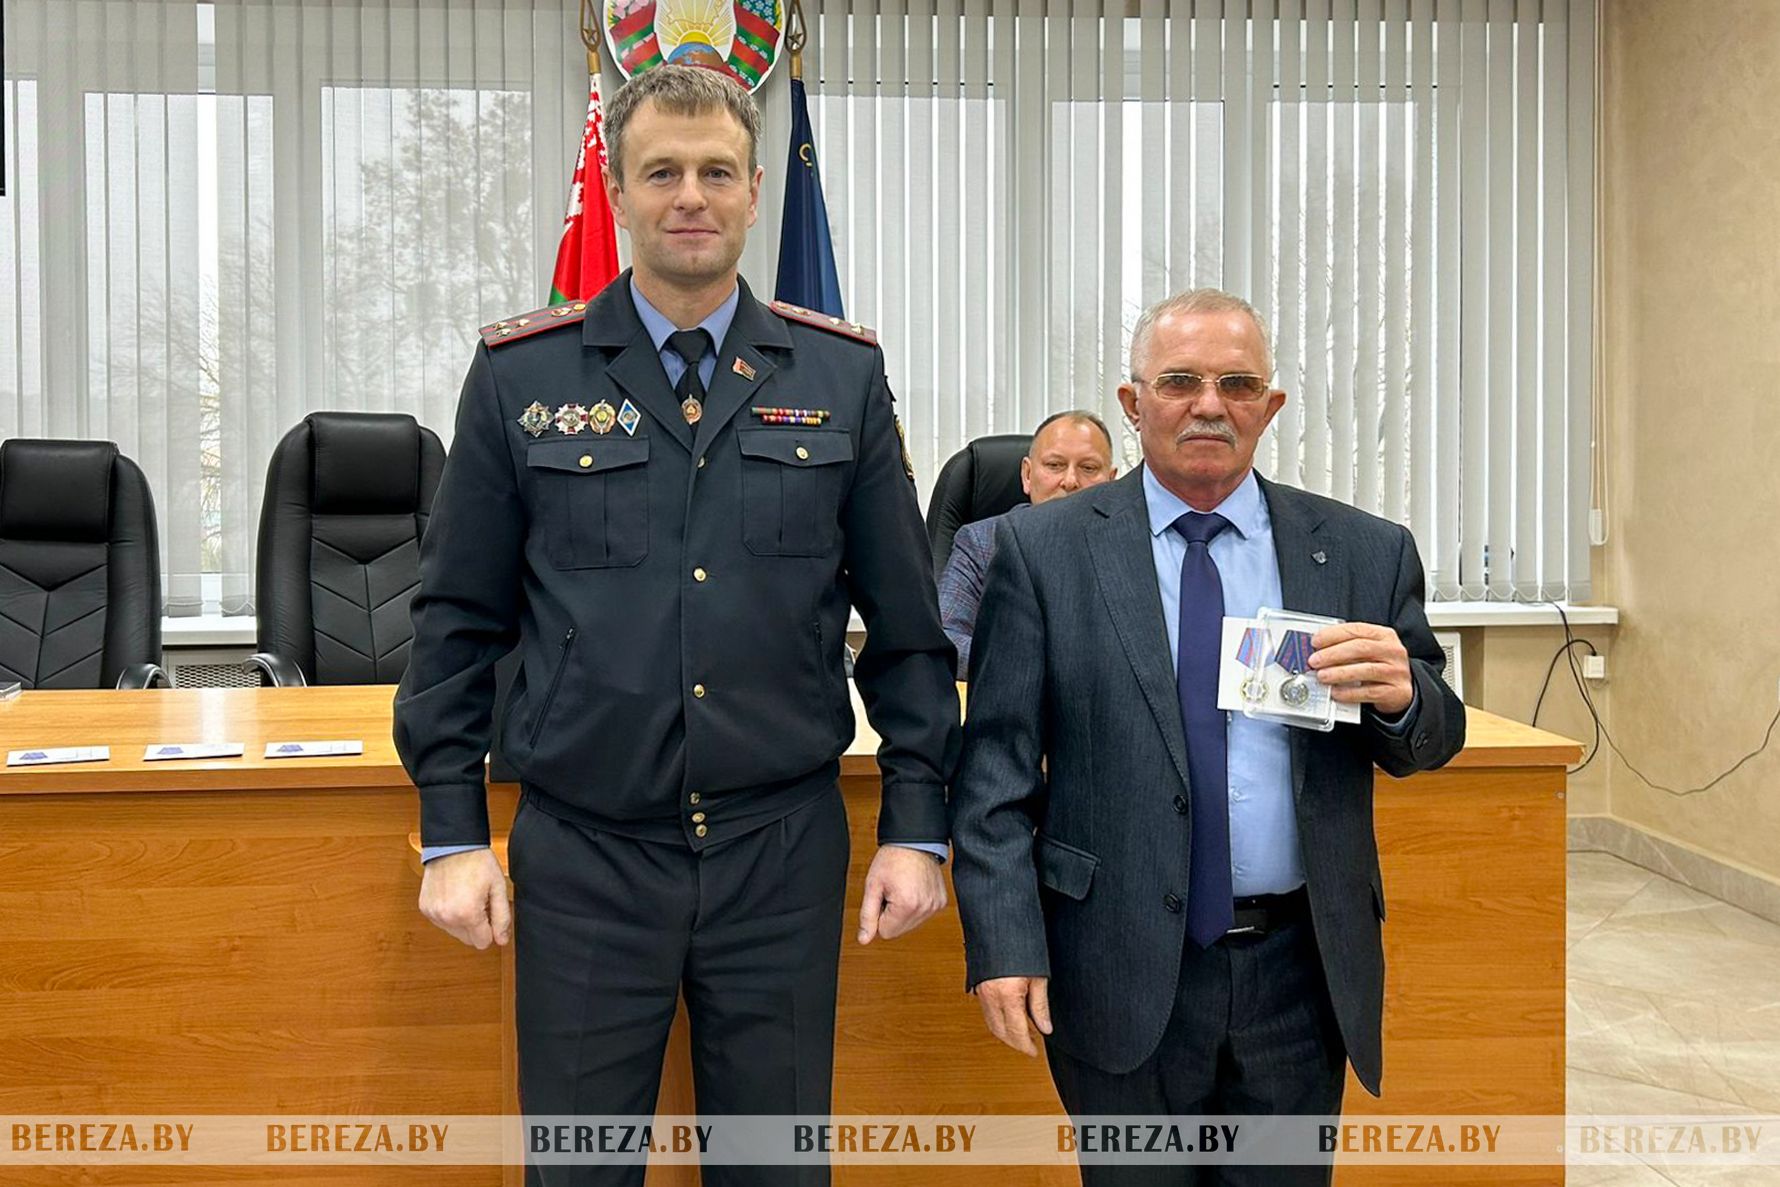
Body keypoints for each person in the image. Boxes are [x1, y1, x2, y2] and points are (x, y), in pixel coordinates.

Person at [393, 64, 959, 1187]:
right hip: (586, 853)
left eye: (714, 172)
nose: (689, 196)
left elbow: (906, 627)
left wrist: (917, 822)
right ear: (616, 190)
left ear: (754, 190)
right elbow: (456, 620)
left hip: (779, 852)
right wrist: (452, 831)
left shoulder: (840, 376)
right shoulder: (521, 376)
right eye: (661, 172)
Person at [948, 288, 1466, 1186]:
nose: (1209, 405)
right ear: (1133, 401)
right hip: (1115, 963)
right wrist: (1004, 942)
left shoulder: (1362, 550)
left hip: (1299, 975)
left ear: (1271, 405)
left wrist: (1405, 695)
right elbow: (994, 772)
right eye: (1180, 381)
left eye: (1238, 384)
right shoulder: (1044, 552)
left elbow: (1431, 733)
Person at [937, 410, 1118, 679]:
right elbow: (945, 638)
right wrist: (1033, 666)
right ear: (1027, 474)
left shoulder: (1132, 545)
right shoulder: (982, 542)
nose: (1070, 481)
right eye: (1055, 465)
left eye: (1088, 468)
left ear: (1112, 481)